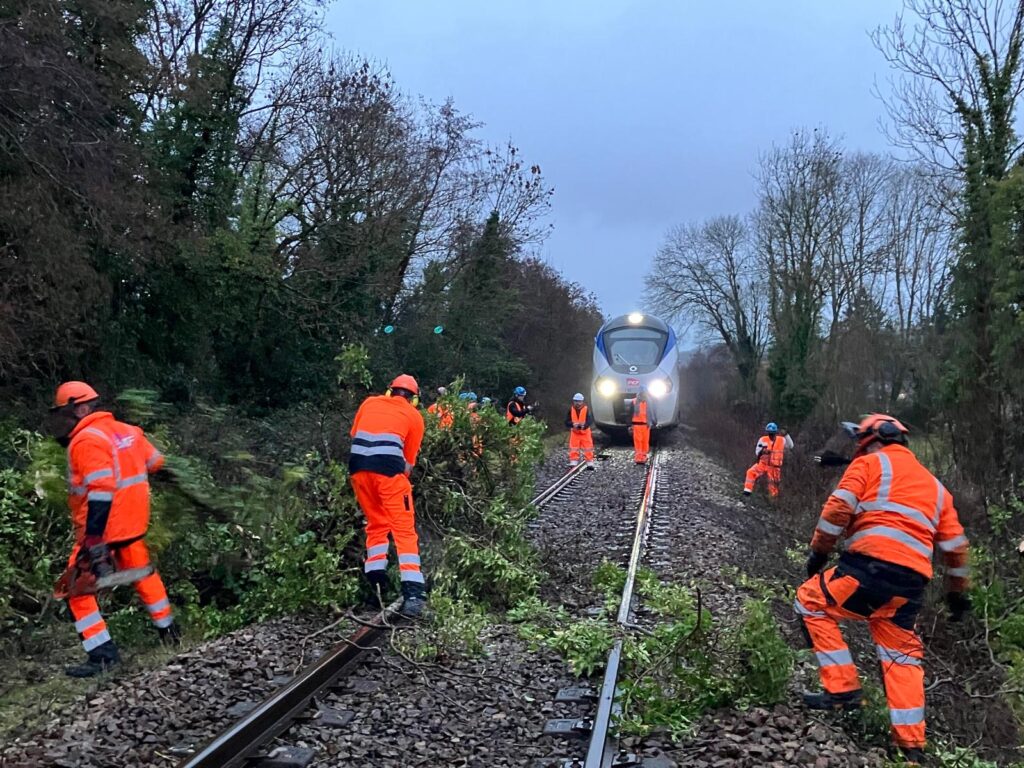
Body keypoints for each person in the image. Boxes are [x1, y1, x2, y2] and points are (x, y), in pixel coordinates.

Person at [795, 414, 971, 765]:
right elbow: (956, 547)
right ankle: (911, 748)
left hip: (868, 569)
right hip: (910, 586)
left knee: (809, 602)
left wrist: (818, 552)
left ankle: (842, 690)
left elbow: (837, 508)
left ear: (871, 440)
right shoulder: (937, 488)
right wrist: (957, 592)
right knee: (901, 655)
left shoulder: (868, 464)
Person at [47, 382, 179, 677]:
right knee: (145, 577)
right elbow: (157, 464)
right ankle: (170, 634)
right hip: (133, 527)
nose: (62, 421)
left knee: (75, 590)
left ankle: (102, 656)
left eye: (65, 413)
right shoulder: (129, 432)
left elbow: (101, 490)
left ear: (80, 409)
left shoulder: (85, 440)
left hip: (103, 531)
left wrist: (94, 538)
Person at [349, 374, 427, 616]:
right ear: (413, 399)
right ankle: (413, 593)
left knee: (376, 524)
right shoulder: (414, 417)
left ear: (389, 391)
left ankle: (376, 588)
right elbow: (408, 464)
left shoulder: (368, 403)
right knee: (404, 529)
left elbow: (355, 435)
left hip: (358, 470)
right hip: (388, 473)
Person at [743, 422, 792, 498]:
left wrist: (786, 435)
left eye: (772, 433)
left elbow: (791, 446)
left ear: (776, 432)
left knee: (773, 485)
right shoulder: (763, 439)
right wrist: (763, 452)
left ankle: (773, 500)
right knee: (750, 472)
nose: (770, 434)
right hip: (763, 464)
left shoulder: (781, 440)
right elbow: (757, 452)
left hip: (774, 467)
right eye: (769, 433)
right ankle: (747, 491)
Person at [565, 393, 595, 470]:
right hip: (575, 432)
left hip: (585, 432)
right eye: (576, 401)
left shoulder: (586, 409)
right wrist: (573, 424)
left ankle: (589, 462)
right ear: (573, 401)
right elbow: (566, 422)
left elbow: (590, 421)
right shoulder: (570, 410)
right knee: (574, 447)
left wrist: (584, 426)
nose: (577, 403)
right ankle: (573, 461)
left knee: (588, 447)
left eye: (579, 401)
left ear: (582, 402)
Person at [629, 388, 655, 464]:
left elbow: (652, 413)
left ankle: (642, 457)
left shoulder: (647, 402)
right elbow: (631, 413)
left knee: (643, 441)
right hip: (638, 425)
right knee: (640, 441)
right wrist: (629, 424)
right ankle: (639, 457)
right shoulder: (648, 402)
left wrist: (653, 421)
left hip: (645, 425)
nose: (643, 395)